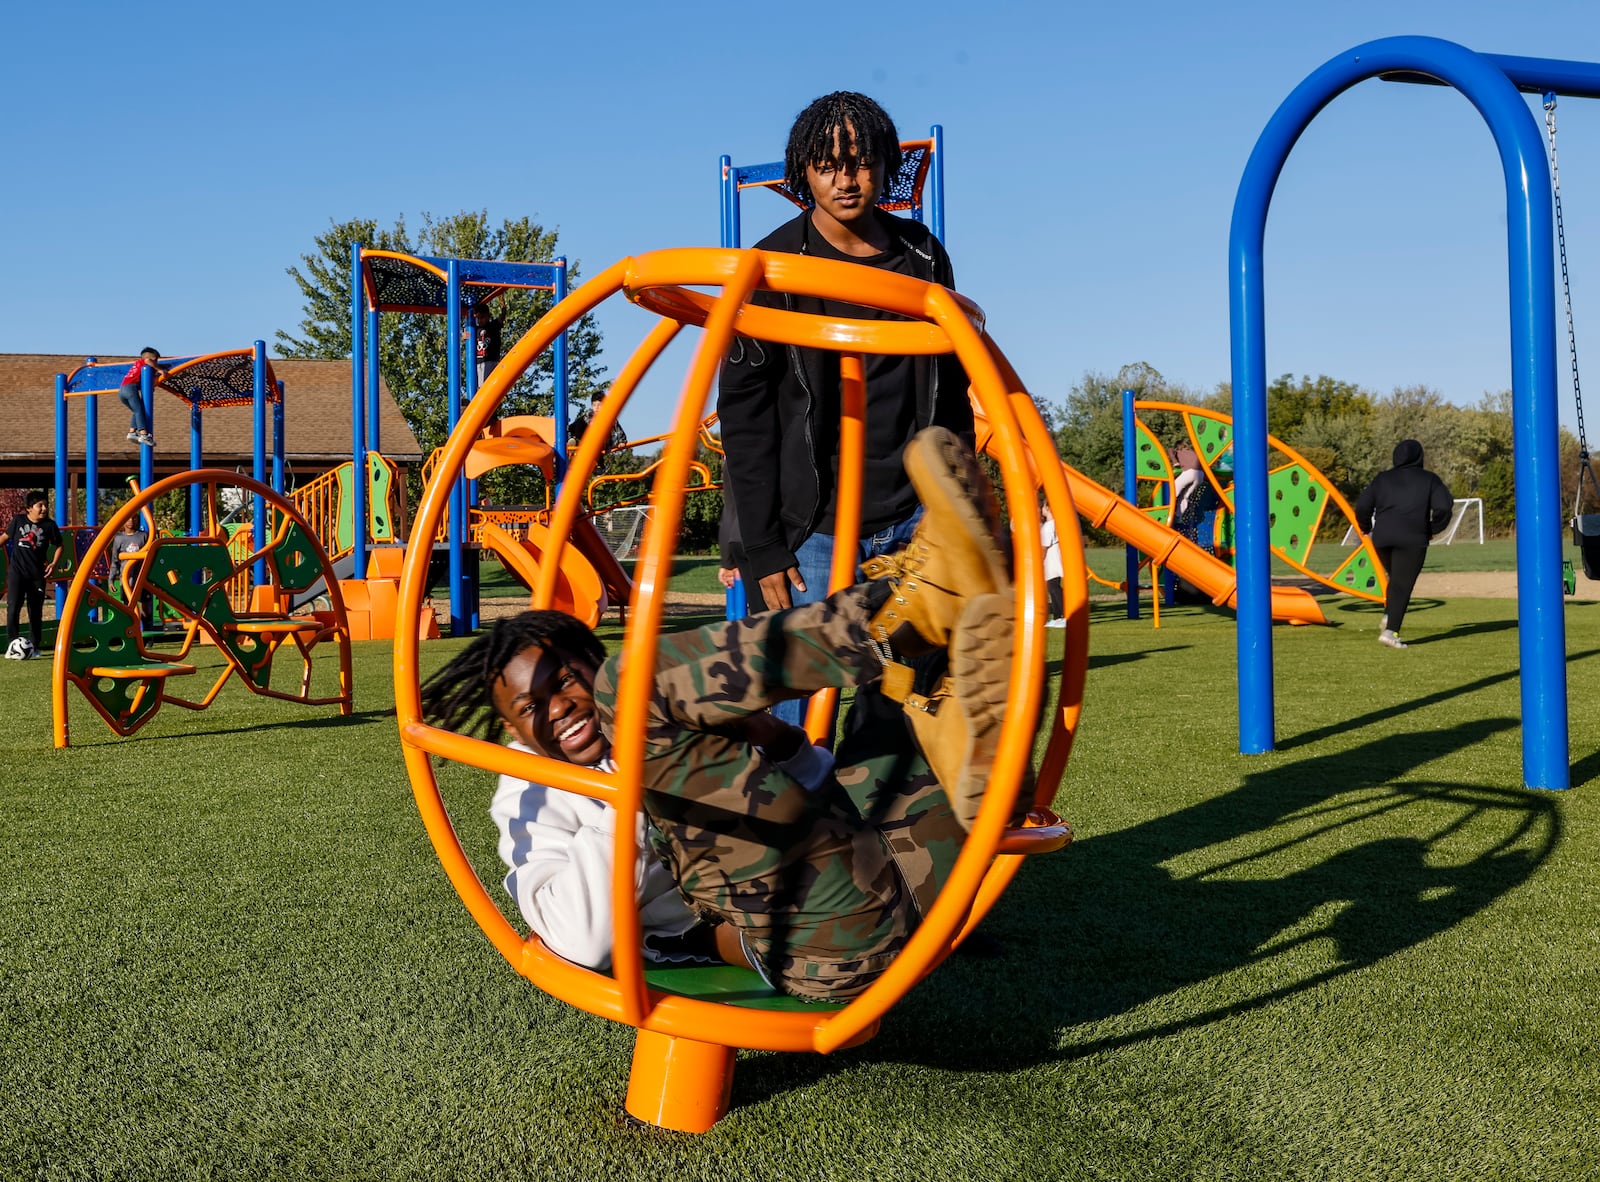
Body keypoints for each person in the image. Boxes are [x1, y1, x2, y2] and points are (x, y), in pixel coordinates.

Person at [421, 427, 1023, 1000]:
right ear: (513, 729)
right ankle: (892, 614)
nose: (560, 709)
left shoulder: (679, 729)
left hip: (903, 870)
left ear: (589, 666)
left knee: (895, 703)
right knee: (639, 683)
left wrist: (777, 741)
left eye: (570, 680)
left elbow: (818, 799)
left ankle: (961, 722)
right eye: (532, 707)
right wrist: (624, 793)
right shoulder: (535, 796)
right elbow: (579, 941)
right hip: (821, 940)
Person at [717, 91, 972, 731]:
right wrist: (762, 547)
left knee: (906, 701)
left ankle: (880, 830)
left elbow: (954, 380)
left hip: (910, 515)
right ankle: (804, 828)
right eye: (827, 164)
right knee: (803, 709)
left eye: (859, 161)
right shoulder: (772, 267)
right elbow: (744, 416)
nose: (845, 179)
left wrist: (957, 498)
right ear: (803, 171)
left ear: (885, 166)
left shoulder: (921, 255)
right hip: (814, 524)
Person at [1355, 439, 1454, 649]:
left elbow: (1362, 506)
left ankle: (1389, 614)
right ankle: (1391, 632)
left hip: (1382, 538)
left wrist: (1364, 527)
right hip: (1412, 538)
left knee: (1396, 578)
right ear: (1420, 456)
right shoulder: (1429, 479)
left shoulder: (1382, 479)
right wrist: (1433, 529)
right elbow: (1444, 507)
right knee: (1402, 584)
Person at [2, 492, 63, 657]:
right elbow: (4, 537)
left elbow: (59, 546)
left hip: (37, 576)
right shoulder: (18, 521)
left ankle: (35, 647)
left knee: (35, 611)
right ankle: (12, 646)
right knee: (13, 608)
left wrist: (53, 564)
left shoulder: (50, 525)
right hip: (17, 573)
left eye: (45, 505)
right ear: (29, 508)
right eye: (39, 506)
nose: (44, 508)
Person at [117, 347, 163, 448]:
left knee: (137, 410)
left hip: (122, 391)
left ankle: (132, 432)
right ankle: (144, 435)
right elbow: (148, 360)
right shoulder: (144, 362)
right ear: (154, 358)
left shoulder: (137, 365)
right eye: (156, 360)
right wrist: (160, 370)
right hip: (130, 389)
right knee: (139, 411)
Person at [1041, 501, 1065, 628]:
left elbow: (1044, 546)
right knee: (1053, 587)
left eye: (1043, 506)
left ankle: (1064, 614)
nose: (1042, 509)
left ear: (1048, 508)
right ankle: (1057, 617)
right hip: (1055, 557)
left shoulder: (1049, 526)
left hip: (1052, 559)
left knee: (1053, 587)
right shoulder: (1055, 524)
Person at [468, 303, 504, 387]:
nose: (480, 320)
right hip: (477, 362)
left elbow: (502, 317)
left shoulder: (492, 326)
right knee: (478, 385)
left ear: (488, 316)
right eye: (478, 318)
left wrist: (502, 305)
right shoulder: (474, 330)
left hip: (490, 361)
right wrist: (464, 336)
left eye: (483, 317)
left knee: (486, 385)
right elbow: (465, 336)